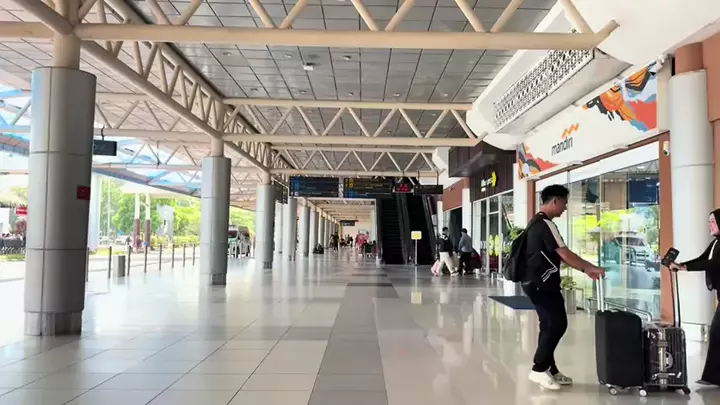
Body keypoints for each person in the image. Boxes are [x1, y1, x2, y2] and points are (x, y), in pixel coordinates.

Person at [524, 184, 605, 390]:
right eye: (564, 203)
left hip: (535, 283)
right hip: (542, 284)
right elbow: (565, 253)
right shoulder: (546, 224)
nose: (565, 207)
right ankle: (538, 369)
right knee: (557, 324)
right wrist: (588, 268)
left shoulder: (535, 222)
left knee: (548, 325)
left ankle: (549, 368)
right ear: (555, 201)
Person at [669, 208, 720, 386]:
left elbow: (713, 264)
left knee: (716, 332)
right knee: (717, 333)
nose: (709, 226)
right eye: (709, 222)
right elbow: (702, 259)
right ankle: (713, 377)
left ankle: (712, 377)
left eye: (713, 221)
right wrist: (681, 265)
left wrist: (684, 268)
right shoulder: (715, 243)